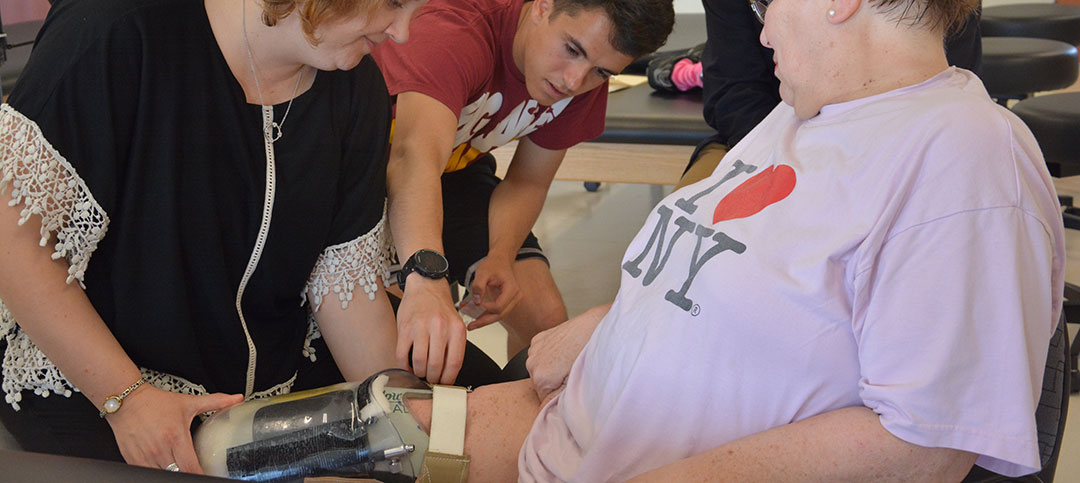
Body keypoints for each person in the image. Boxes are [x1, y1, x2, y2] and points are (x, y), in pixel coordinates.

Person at [397, 0, 1066, 480]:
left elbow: (923, 446)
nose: (762, 26)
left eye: (765, 2)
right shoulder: (798, 113)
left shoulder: (964, 155)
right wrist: (608, 322)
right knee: (332, 442)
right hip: (548, 430)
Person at [0, 0, 425, 474]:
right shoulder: (116, 27)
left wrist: (409, 417)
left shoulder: (355, 84)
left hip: (264, 385)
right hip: (96, 378)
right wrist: (129, 400)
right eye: (394, 3)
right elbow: (14, 248)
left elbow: (343, 284)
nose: (404, 33)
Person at [370, 0, 675, 385]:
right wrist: (426, 279)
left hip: (455, 171)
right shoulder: (456, 32)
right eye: (571, 49)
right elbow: (412, 159)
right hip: (366, 172)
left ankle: (525, 433)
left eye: (600, 72)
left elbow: (528, 180)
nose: (573, 82)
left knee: (544, 320)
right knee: (410, 345)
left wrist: (500, 254)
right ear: (543, 6)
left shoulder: (582, 76)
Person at [675, 0, 984, 188]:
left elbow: (930, 83)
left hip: (891, 139)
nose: (765, 36)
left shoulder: (951, 134)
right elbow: (731, 90)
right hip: (769, 129)